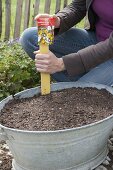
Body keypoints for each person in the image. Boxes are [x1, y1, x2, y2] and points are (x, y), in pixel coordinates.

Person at [20, 0, 113, 86]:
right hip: (97, 40)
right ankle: (81, 85)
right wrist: (59, 20)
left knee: (83, 95)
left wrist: (61, 64)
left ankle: (82, 88)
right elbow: (78, 7)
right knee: (30, 38)